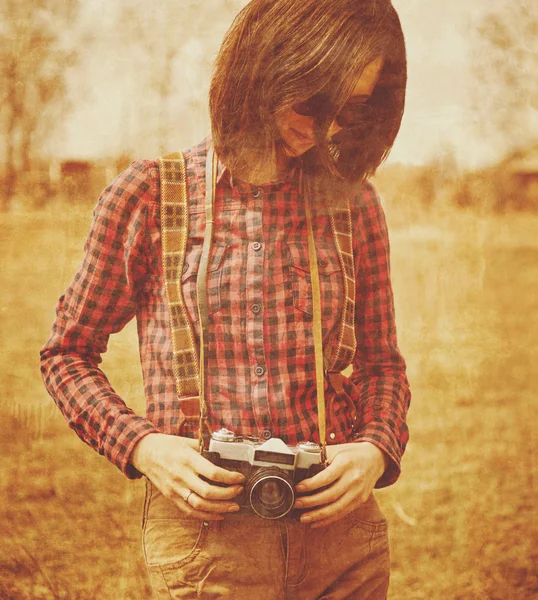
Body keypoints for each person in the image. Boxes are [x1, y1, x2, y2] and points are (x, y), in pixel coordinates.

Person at [40, 0, 411, 598]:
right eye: (313, 99)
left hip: (344, 543)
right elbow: (66, 354)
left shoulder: (355, 204)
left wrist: (374, 449)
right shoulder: (147, 195)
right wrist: (143, 445)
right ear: (265, 65)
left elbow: (381, 364)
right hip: (205, 548)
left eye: (352, 108)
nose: (328, 129)